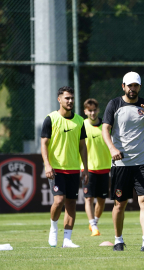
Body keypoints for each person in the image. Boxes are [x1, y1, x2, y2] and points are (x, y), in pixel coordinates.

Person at [102, 71, 144, 251]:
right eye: (129, 85)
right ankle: (118, 239)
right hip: (121, 163)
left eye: (136, 85)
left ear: (139, 87)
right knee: (119, 204)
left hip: (143, 162)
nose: (132, 89)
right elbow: (105, 130)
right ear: (123, 86)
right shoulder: (114, 104)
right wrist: (112, 149)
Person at [41, 86, 89, 248]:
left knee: (71, 203)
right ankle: (53, 228)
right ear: (59, 99)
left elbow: (83, 147)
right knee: (59, 200)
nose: (70, 101)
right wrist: (47, 165)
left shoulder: (80, 121)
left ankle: (67, 239)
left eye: (72, 98)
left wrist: (86, 169)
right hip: (56, 169)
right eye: (67, 98)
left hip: (74, 169)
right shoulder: (50, 119)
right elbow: (44, 144)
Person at [81, 98, 111, 237]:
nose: (92, 113)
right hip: (88, 168)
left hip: (104, 167)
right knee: (88, 198)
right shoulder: (82, 125)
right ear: (85, 111)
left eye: (94, 110)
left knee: (102, 200)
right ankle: (93, 226)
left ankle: (95, 222)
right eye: (89, 111)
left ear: (98, 110)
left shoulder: (105, 126)